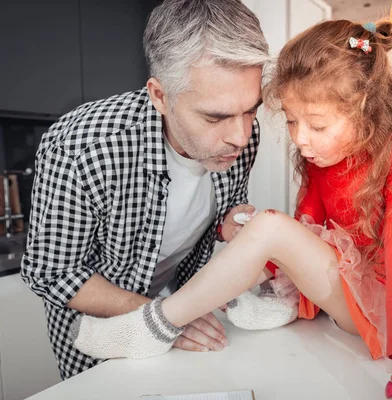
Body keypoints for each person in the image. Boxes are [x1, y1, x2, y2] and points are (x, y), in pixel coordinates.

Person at [69, 19, 392, 399]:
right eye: (292, 122)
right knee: (267, 231)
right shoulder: (318, 160)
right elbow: (308, 233)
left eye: (318, 125)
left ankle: (149, 328)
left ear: (363, 105)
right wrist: (241, 270)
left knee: (270, 226)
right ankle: (273, 303)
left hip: (380, 310)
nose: (302, 140)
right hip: (338, 297)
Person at [21, 0, 270, 379]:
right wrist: (165, 317)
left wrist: (231, 222)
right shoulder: (81, 148)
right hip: (104, 334)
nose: (240, 136)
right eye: (215, 116)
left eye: (252, 109)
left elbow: (223, 207)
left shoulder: (241, 134)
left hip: (189, 314)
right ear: (160, 96)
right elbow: (52, 273)